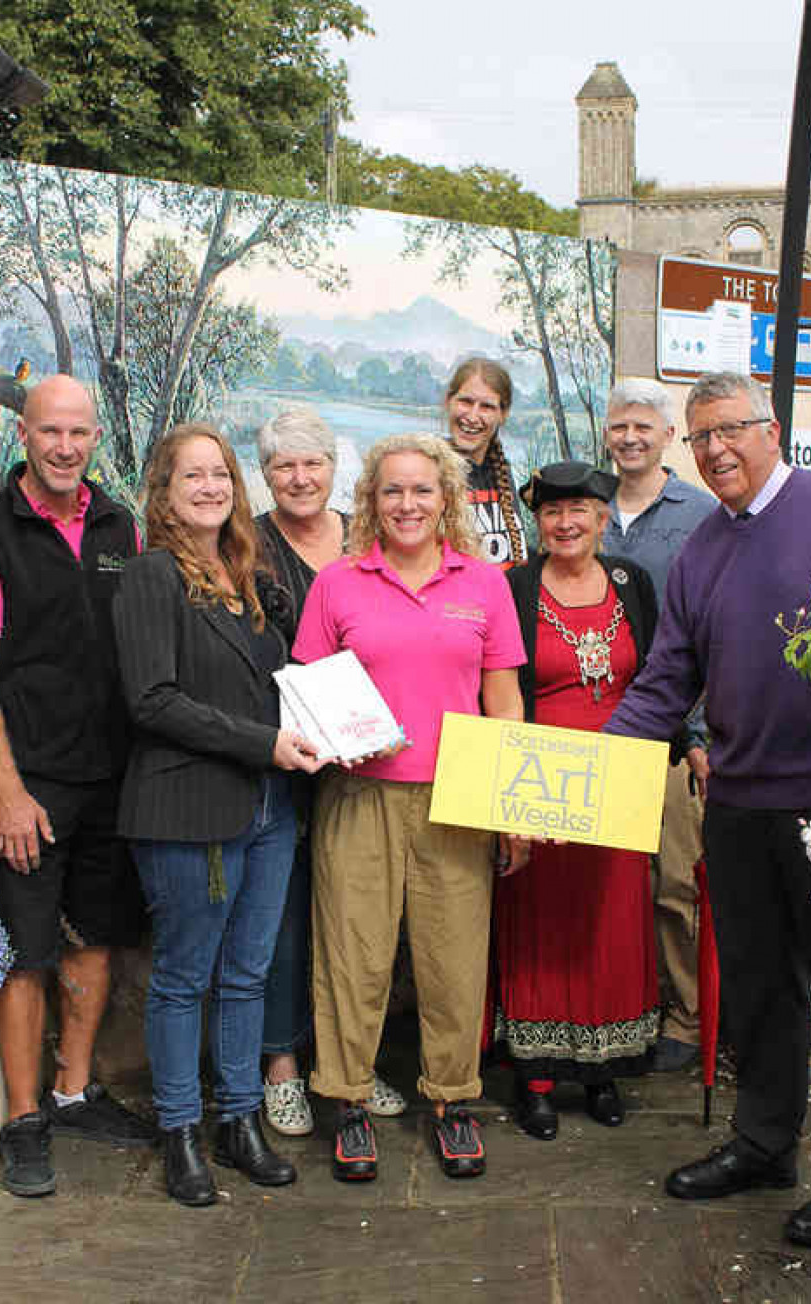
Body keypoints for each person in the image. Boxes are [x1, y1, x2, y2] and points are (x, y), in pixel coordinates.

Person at [605, 371, 811, 1248]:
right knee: (761, 991)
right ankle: (765, 1143)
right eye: (703, 437)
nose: (718, 449)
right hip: (736, 803)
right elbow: (665, 680)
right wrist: (591, 767)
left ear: (773, 430)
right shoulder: (702, 550)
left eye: (732, 429)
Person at [293, 433, 527, 1182]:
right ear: (371, 500)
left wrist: (512, 803)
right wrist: (331, 738)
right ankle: (349, 1104)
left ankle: (454, 1101)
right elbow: (307, 689)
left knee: (455, 959)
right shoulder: (338, 582)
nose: (407, 504)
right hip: (358, 797)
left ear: (446, 499)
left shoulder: (484, 584)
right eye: (392, 490)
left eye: (422, 490)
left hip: (459, 796)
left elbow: (504, 697)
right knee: (351, 957)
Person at [0, 374, 154, 1200]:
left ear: (95, 436)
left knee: (95, 938)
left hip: (111, 781)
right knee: (28, 953)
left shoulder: (120, 525)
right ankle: (25, 1117)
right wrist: (9, 791)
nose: (65, 448)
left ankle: (73, 1091)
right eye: (49, 433)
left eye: (79, 433)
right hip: (32, 786)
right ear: (23, 434)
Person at [113, 424, 324, 1207]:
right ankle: (180, 1132)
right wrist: (266, 744)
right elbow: (152, 701)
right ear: (163, 491)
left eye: (220, 475)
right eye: (191, 476)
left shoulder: (247, 573)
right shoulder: (148, 577)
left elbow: (281, 681)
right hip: (188, 805)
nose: (209, 488)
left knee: (248, 972)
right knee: (182, 978)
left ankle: (239, 1122)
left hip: (271, 806)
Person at [496, 461, 660, 1141]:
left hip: (622, 774)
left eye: (580, 511)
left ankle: (602, 1070)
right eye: (553, 512)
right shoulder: (516, 587)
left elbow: (657, 674)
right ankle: (535, 1078)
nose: (566, 523)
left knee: (611, 920)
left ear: (602, 517)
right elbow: (498, 687)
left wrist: (688, 746)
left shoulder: (632, 583)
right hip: (541, 775)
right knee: (540, 920)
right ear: (539, 521)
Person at [253, 405, 406, 1136]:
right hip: (280, 761)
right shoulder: (245, 545)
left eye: (312, 462)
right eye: (285, 465)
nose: (300, 477)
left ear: (334, 469)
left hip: (367, 763)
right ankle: (281, 1067)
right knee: (284, 915)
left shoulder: (366, 536)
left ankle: (349, 1063)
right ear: (265, 474)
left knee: (356, 922)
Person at [602, 379, 716, 1073]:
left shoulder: (702, 515)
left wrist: (700, 733)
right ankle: (624, 1010)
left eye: (644, 426)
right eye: (620, 426)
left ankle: (686, 1016)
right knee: (615, 882)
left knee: (676, 883)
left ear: (668, 435)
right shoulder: (587, 508)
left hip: (674, 732)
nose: (631, 437)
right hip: (604, 728)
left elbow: (712, 631)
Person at [444, 358, 527, 566]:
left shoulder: (502, 471)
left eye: (486, 407)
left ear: (503, 414)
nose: (473, 417)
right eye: (466, 402)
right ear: (448, 402)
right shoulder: (429, 468)